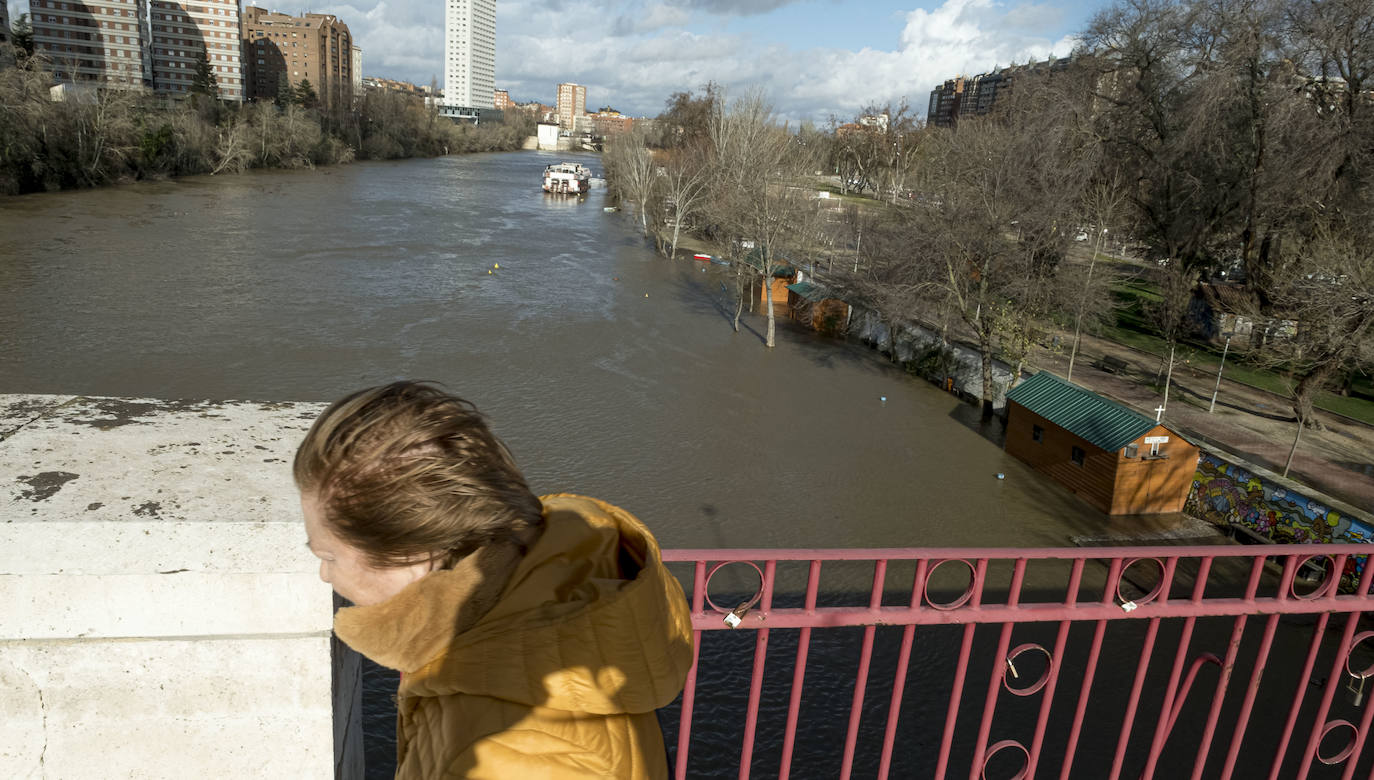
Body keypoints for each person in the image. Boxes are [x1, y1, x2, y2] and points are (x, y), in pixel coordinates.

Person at [294, 381, 694, 779]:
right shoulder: (563, 573)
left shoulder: (511, 756)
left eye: (329, 556)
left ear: (414, 558)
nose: (324, 573)